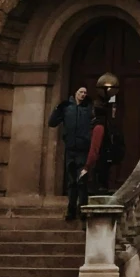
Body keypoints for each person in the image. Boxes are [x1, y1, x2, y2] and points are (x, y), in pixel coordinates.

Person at [49, 83, 97, 220]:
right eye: (81, 92)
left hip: (83, 150)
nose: (83, 94)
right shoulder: (67, 108)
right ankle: (71, 210)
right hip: (70, 150)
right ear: (75, 93)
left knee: (82, 181)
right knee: (71, 182)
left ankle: (83, 209)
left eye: (85, 92)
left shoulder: (89, 108)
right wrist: (57, 109)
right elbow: (52, 123)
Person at [78, 76, 126, 201]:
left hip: (98, 167)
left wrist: (86, 167)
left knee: (95, 195)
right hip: (104, 164)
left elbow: (95, 148)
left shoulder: (98, 126)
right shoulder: (104, 123)